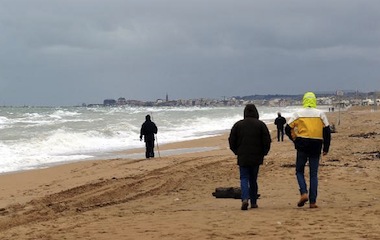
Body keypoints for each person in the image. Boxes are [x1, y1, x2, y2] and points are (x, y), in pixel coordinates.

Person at [285, 92, 331, 209]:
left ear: (304, 101)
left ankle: (303, 192)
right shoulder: (320, 114)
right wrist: (326, 148)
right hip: (316, 144)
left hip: (302, 144)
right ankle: (313, 201)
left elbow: (287, 128)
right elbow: (327, 131)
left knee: (299, 171)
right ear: (314, 101)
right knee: (313, 174)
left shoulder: (298, 113)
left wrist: (295, 139)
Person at [228, 104, 271, 210]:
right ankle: (254, 202)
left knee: (244, 178)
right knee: (253, 179)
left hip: (243, 155)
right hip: (257, 156)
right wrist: (264, 152)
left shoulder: (238, 125)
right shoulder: (261, 125)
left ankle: (245, 199)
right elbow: (267, 140)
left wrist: (236, 151)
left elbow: (231, 140)